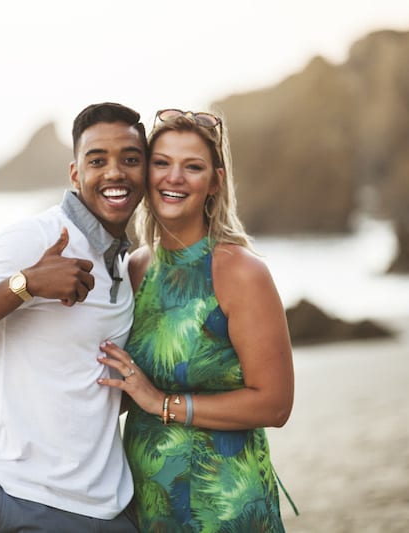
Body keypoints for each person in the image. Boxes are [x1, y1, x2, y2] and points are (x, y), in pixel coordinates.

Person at [0, 102, 147, 532]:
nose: (115, 172)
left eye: (130, 160)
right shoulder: (37, 237)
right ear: (76, 174)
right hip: (23, 500)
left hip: (106, 506)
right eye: (98, 160)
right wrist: (27, 284)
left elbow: (81, 387)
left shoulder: (122, 261)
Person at [97, 108, 296, 531]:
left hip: (224, 503)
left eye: (193, 167)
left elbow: (275, 404)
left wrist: (161, 404)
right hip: (149, 499)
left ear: (215, 182)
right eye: (162, 163)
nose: (174, 178)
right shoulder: (135, 270)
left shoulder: (240, 272)